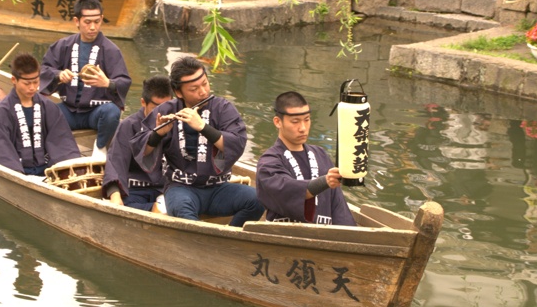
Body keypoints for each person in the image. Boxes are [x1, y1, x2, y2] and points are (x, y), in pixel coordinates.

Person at [133, 55, 264, 226]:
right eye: (194, 88)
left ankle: (230, 236)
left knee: (257, 200)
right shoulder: (166, 110)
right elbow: (142, 150)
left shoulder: (223, 108)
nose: (203, 91)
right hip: (181, 188)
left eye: (205, 83)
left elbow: (236, 144)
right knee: (182, 209)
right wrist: (158, 134)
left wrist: (203, 127)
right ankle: (202, 244)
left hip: (218, 187)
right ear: (179, 92)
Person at [39, 0, 131, 160]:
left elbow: (124, 81)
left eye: (97, 21)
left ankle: (100, 147)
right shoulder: (63, 45)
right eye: (87, 22)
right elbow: (44, 69)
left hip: (95, 113)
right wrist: (59, 75)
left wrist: (107, 83)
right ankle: (51, 152)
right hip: (68, 109)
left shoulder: (111, 50)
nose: (93, 27)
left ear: (102, 19)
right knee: (41, 109)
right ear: (77, 21)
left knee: (112, 112)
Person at [255, 92, 356, 226]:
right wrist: (324, 182)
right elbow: (286, 191)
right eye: (295, 121)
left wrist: (349, 235)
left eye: (307, 119)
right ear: (278, 122)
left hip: (325, 237)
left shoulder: (320, 154)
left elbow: (338, 206)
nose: (303, 128)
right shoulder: (269, 162)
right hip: (284, 238)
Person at [0, 52, 81, 176]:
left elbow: (62, 141)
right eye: (27, 84)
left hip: (47, 169)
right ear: (14, 80)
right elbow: (3, 149)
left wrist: (66, 168)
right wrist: (16, 175)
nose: (33, 88)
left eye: (36, 82)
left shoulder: (48, 106)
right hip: (18, 169)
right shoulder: (2, 111)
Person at [102, 76, 174, 210]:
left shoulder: (175, 122)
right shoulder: (129, 125)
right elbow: (116, 161)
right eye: (156, 108)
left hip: (166, 188)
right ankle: (155, 209)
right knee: (127, 205)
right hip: (135, 189)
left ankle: (158, 209)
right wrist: (115, 196)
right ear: (143, 102)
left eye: (167, 107)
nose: (161, 114)